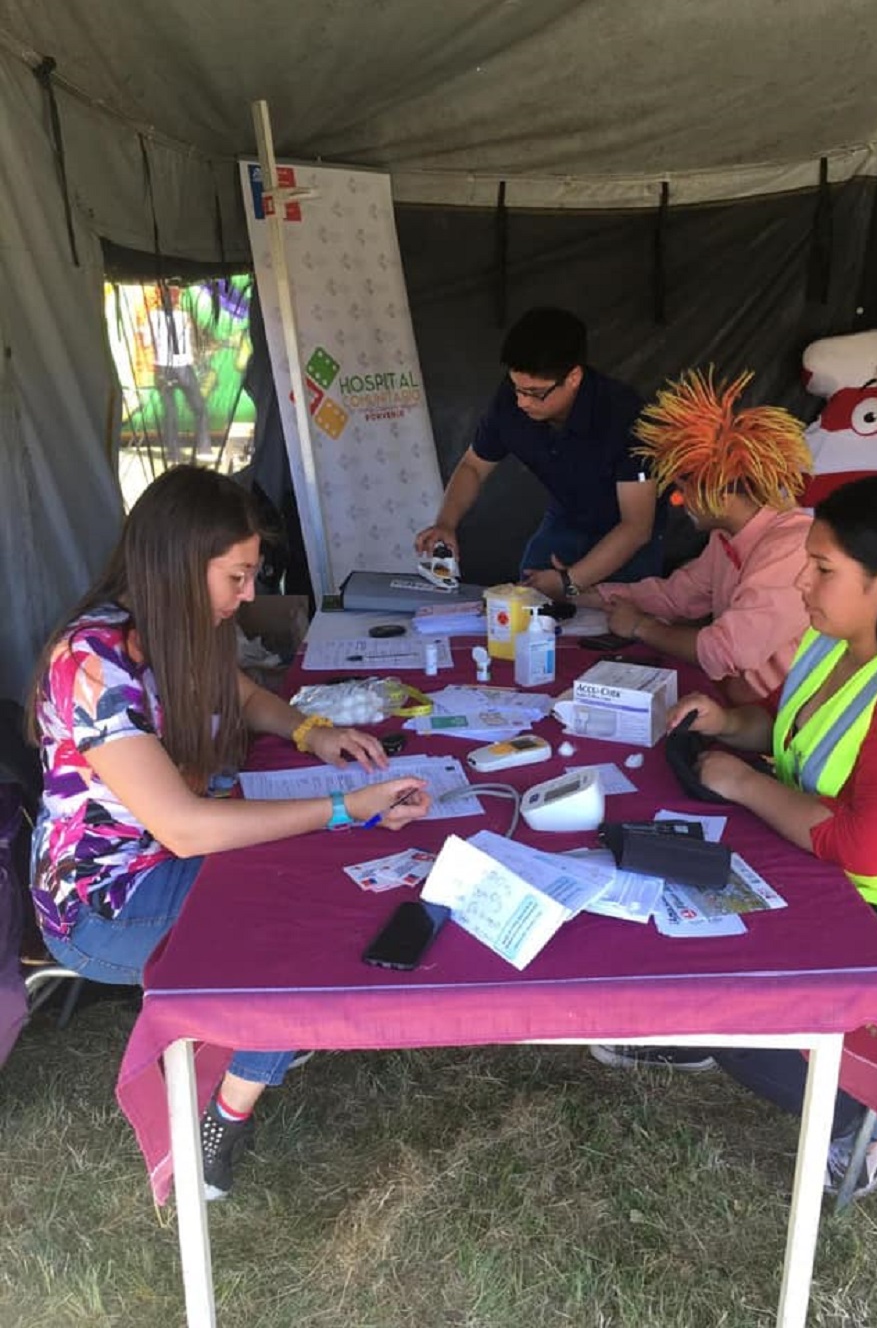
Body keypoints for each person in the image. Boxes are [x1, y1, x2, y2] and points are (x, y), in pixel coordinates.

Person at [28, 466, 431, 1199]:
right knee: (298, 929)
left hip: (160, 865)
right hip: (106, 902)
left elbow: (239, 693)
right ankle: (222, 1115)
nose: (249, 595)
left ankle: (258, 1036)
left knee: (307, 892)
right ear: (184, 565)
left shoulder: (182, 624)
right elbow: (182, 829)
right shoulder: (92, 663)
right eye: (238, 577)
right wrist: (345, 808)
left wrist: (310, 731)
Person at [594, 474, 877, 1195]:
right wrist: (725, 724)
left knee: (748, 1010)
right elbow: (780, 726)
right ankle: (688, 1038)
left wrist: (745, 783)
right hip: (850, 887)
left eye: (821, 570)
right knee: (688, 917)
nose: (801, 585)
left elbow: (860, 845)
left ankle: (854, 1128)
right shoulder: (828, 642)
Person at [414, 307, 703, 600]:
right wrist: (446, 523)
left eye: (535, 392)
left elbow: (637, 526)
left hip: (625, 534)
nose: (522, 401)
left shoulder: (624, 416)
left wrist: (569, 581)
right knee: (526, 607)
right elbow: (473, 466)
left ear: (574, 377)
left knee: (619, 622)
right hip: (565, 519)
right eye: (516, 388)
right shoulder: (512, 401)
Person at [578, 369, 814, 704]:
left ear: (719, 493)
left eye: (684, 490)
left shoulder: (789, 549)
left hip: (782, 722)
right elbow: (677, 596)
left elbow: (726, 650)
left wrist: (641, 628)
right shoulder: (727, 538)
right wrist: (581, 594)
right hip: (741, 706)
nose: (678, 500)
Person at [149, 286, 212, 462]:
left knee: (177, 412)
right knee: (191, 409)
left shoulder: (157, 316)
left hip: (170, 366)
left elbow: (148, 341)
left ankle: (177, 453)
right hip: (174, 366)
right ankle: (201, 449)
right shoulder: (178, 316)